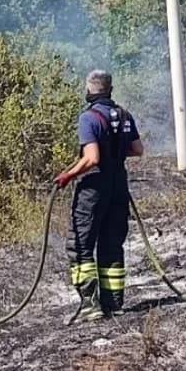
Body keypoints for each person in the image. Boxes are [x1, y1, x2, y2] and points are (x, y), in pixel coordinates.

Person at [54, 71, 144, 322]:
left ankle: (91, 306)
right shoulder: (125, 115)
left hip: (95, 190)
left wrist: (67, 175)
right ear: (110, 89)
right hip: (119, 187)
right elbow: (137, 150)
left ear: (89, 91)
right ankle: (114, 304)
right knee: (112, 245)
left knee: (81, 246)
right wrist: (115, 149)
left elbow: (92, 158)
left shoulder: (88, 118)